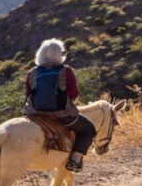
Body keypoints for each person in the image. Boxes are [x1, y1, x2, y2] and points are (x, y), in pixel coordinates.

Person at [24, 38, 96, 171]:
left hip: (35, 114)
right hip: (61, 115)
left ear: (40, 54)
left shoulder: (32, 72)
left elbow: (28, 93)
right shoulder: (66, 71)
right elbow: (73, 94)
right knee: (88, 129)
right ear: (59, 54)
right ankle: (75, 161)